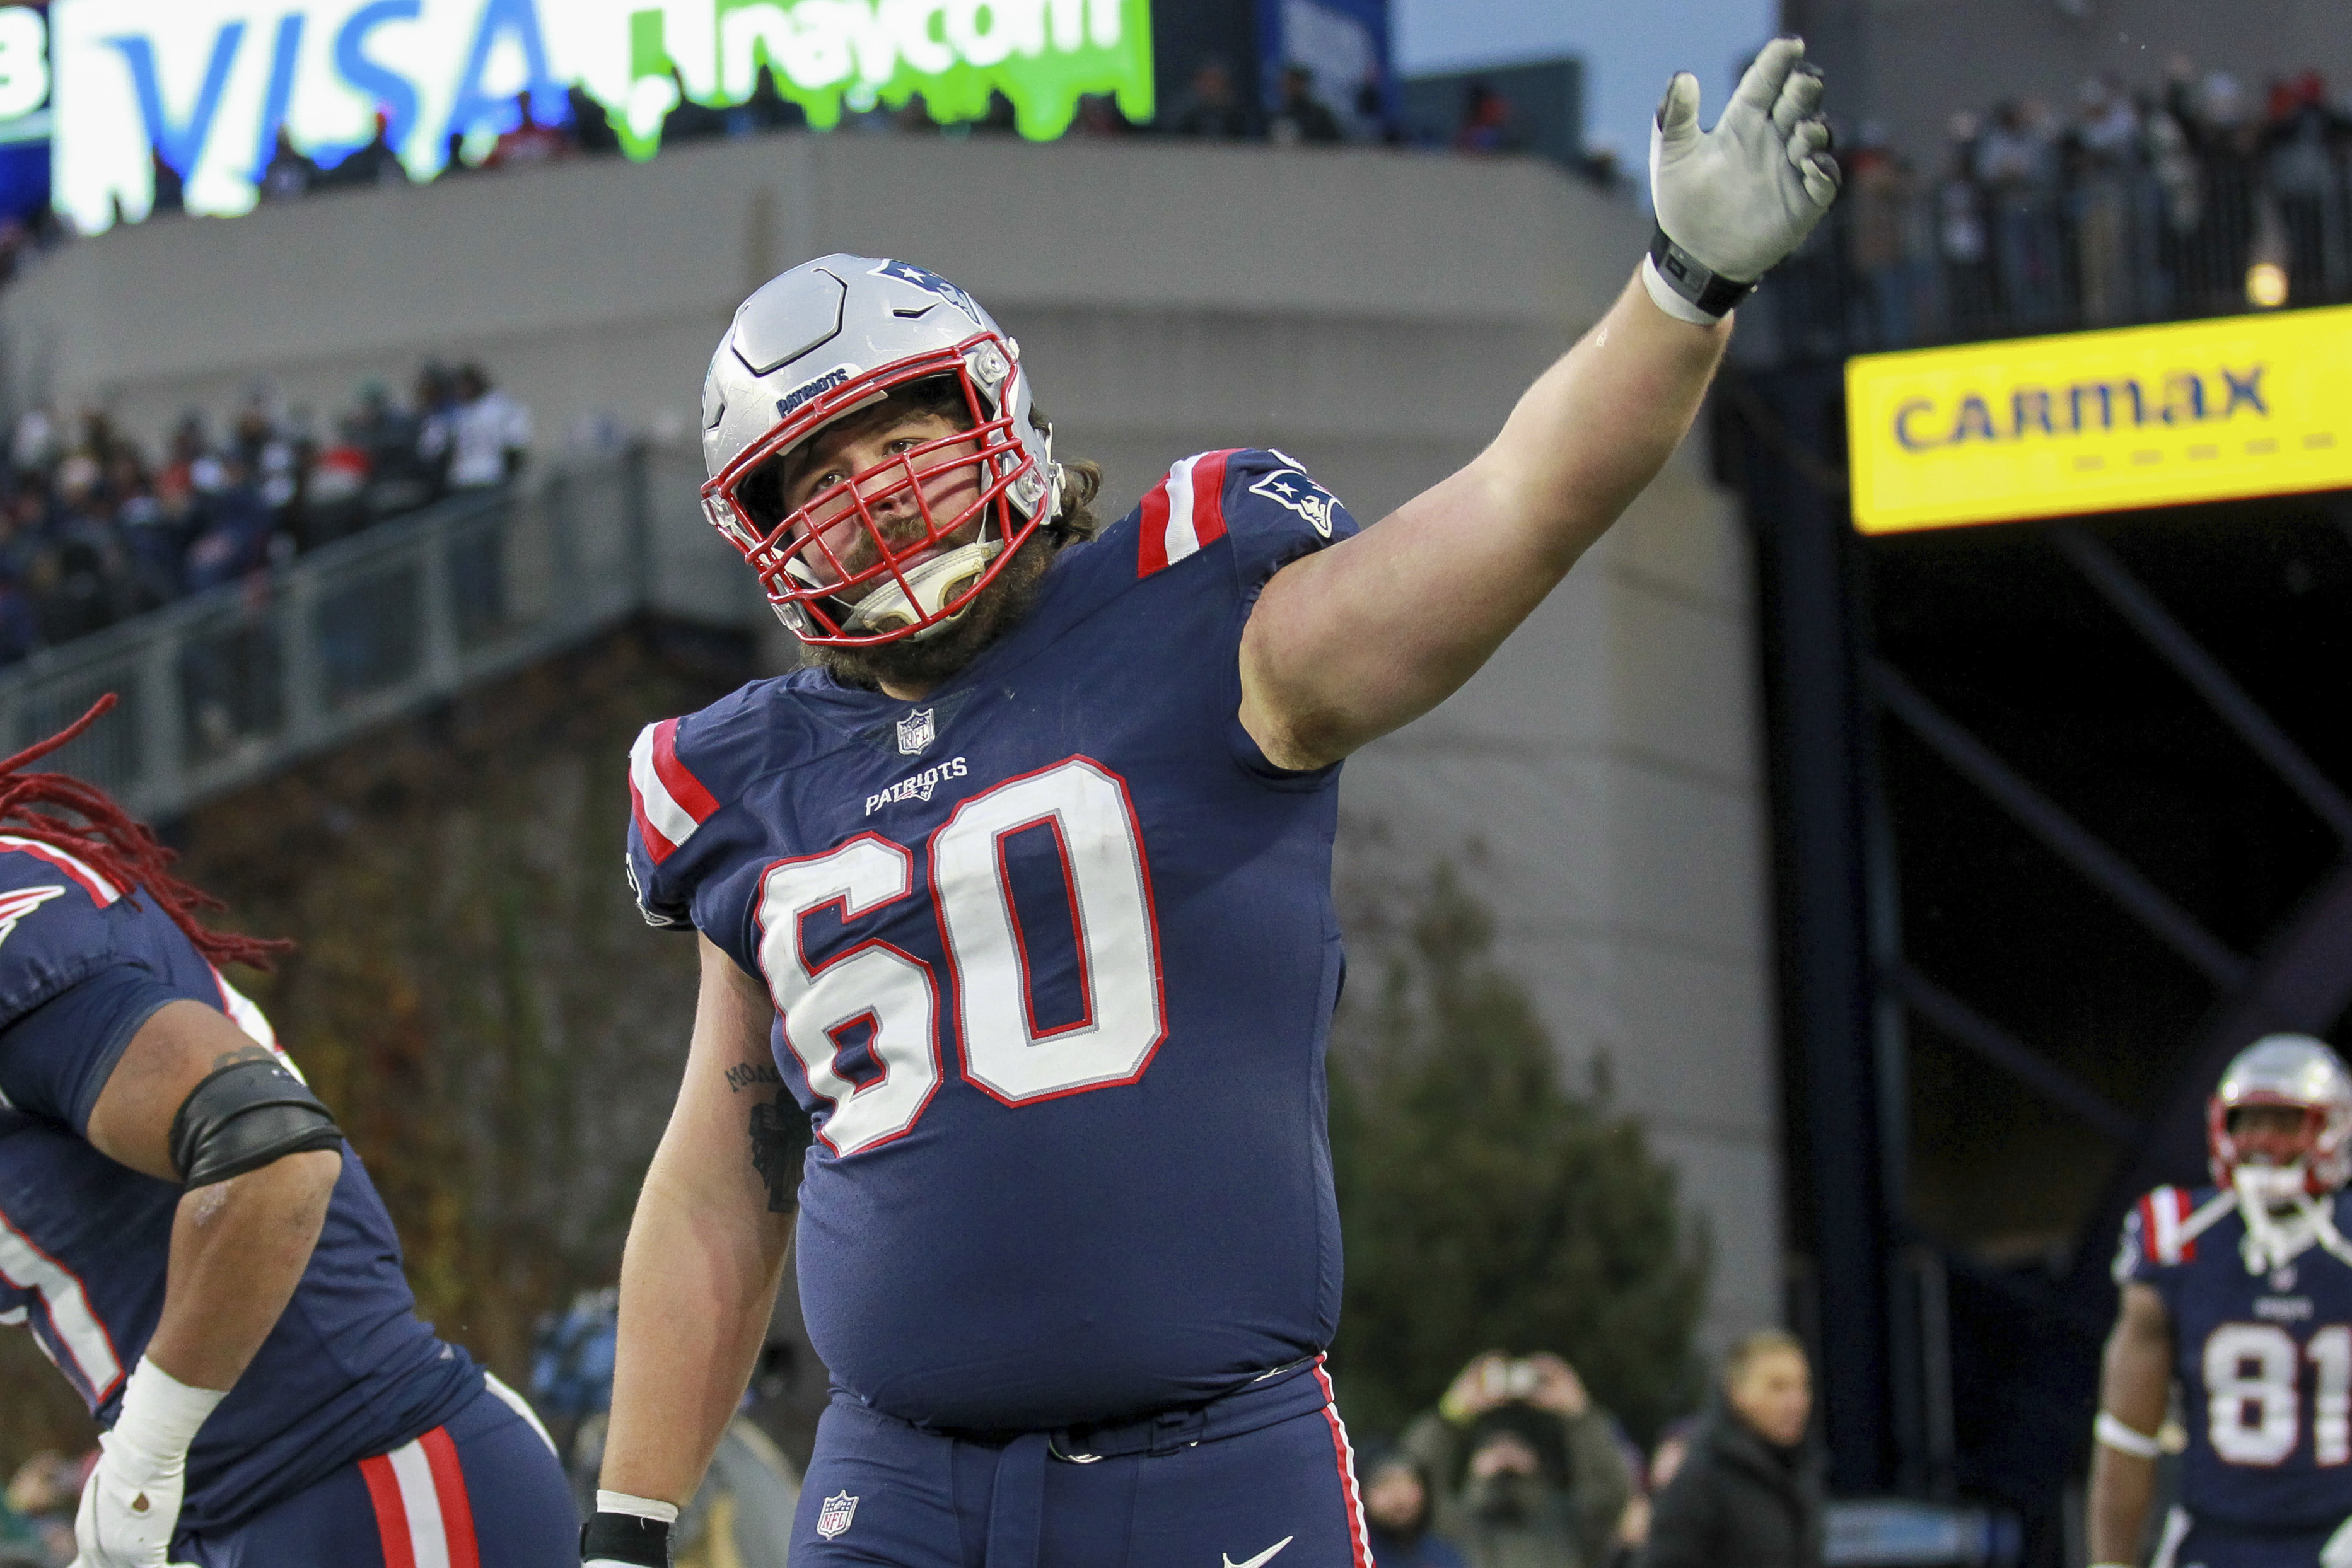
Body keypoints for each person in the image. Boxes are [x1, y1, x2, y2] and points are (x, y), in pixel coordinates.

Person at [585, 39, 1837, 1568]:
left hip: (1204, 1465)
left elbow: (1512, 507)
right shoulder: (741, 779)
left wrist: (1677, 290)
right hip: (893, 1486)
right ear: (761, 540)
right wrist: (629, 1523)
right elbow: (724, 1173)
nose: (870, 491)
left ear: (999, 417)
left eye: (898, 433)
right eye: (814, 471)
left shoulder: (1196, 614)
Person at [0, 697, 578, 1565]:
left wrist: (143, 1466)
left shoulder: (20, 924)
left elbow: (269, 1151)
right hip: (243, 1511)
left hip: (367, 1478)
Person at [2089, 1035, 2352, 1568]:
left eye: (2285, 1122)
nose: (2263, 1141)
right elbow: (2127, 1432)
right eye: (2248, 1121)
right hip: (2214, 1540)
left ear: (2333, 1127)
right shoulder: (2177, 1235)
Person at [1402, 1353, 1633, 1568]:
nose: (1504, 1455)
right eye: (1492, 1447)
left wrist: (1578, 1414)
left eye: (1517, 1447)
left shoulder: (1569, 1525)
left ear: (1538, 1460)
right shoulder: (1453, 1526)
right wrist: (1452, 1414)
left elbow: (1611, 1489)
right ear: (1473, 1462)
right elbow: (1411, 1481)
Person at [1638, 1331, 1823, 1568]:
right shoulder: (1701, 1475)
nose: (1796, 1402)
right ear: (1737, 1392)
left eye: (1803, 1387)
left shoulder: (1802, 1469)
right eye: (1777, 1387)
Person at [1363, 1448, 1470, 1568]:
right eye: (1384, 1484)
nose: (1399, 1496)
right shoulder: (1355, 1554)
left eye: (1407, 1482)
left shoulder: (1442, 1554)